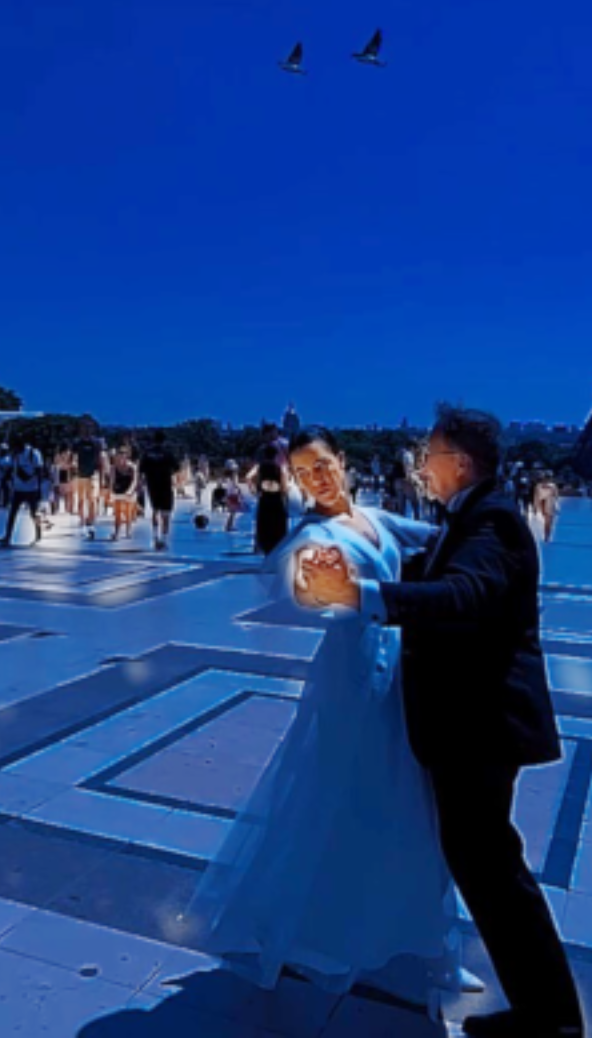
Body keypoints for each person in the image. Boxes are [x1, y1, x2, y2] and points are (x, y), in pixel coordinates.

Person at [297, 406, 585, 1038]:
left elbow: (462, 596)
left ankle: (554, 1022)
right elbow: (434, 565)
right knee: (488, 869)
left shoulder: (495, 523)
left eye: (428, 454)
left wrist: (359, 595)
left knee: (495, 873)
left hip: (479, 727)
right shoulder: (476, 518)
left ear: (460, 462)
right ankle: (545, 1014)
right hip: (469, 724)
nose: (420, 466)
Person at [187, 427, 463, 1010]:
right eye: (304, 469)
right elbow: (302, 590)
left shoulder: (376, 518)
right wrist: (327, 593)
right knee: (351, 799)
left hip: (395, 677)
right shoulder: (309, 536)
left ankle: (427, 941)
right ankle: (337, 931)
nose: (318, 477)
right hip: (352, 682)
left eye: (325, 465)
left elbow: (441, 538)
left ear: (343, 463)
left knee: (409, 804)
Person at [0, 441, 47, 547]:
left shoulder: (33, 453)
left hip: (32, 489)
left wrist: (39, 490)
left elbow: (39, 471)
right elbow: (11, 469)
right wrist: (4, 481)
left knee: (34, 514)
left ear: (21, 446)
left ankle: (38, 535)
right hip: (18, 489)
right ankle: (7, 537)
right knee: (12, 514)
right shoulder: (15, 455)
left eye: (15, 448)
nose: (14, 451)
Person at [138, 430, 181, 550]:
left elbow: (141, 470)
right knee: (166, 514)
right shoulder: (167, 453)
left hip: (152, 486)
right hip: (165, 485)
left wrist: (140, 484)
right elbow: (177, 468)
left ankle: (155, 537)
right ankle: (164, 539)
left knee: (155, 511)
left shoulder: (147, 453)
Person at [108, 448, 138, 541]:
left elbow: (134, 480)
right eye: (119, 455)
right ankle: (117, 532)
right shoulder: (114, 467)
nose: (121, 457)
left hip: (129, 491)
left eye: (123, 455)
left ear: (126, 456)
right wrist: (111, 491)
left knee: (128, 513)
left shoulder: (132, 466)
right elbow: (112, 480)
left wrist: (129, 491)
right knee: (117, 513)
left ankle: (128, 531)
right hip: (118, 490)